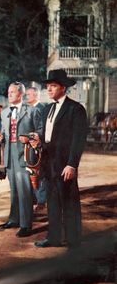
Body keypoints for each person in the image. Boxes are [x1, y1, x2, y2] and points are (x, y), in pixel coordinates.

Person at [32, 69, 87, 248]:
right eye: (48, 86)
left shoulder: (75, 109)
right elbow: (48, 134)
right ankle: (53, 237)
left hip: (65, 163)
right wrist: (37, 139)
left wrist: (72, 164)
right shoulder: (48, 108)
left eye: (53, 86)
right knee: (52, 201)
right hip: (49, 163)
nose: (49, 89)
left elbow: (78, 139)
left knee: (69, 202)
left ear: (63, 88)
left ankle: (74, 240)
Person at [0, 82, 42, 238]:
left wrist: (30, 138)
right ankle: (14, 219)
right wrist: (1, 136)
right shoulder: (5, 112)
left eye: (12, 92)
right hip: (10, 156)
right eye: (8, 92)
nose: (9, 94)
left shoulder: (32, 111)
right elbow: (4, 132)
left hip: (25, 155)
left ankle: (26, 224)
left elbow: (39, 131)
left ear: (20, 94)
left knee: (25, 191)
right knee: (14, 190)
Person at [25, 87, 47, 212]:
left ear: (36, 95)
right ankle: (35, 198)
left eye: (28, 94)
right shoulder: (31, 109)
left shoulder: (40, 109)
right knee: (32, 171)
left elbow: (41, 129)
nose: (26, 96)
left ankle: (41, 200)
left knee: (40, 173)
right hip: (30, 146)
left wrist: (35, 139)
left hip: (39, 146)